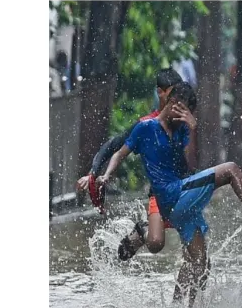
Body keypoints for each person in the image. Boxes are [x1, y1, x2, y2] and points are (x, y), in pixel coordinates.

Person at [97, 87, 242, 308]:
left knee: (201, 264)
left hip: (182, 200)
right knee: (231, 170)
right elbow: (120, 153)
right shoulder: (145, 128)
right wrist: (106, 175)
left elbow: (189, 166)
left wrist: (193, 127)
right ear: (172, 103)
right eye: (182, 111)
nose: (183, 118)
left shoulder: (181, 130)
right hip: (170, 195)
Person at [76, 68, 187, 260]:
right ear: (160, 93)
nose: (177, 99)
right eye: (172, 94)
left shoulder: (185, 119)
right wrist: (93, 173)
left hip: (186, 187)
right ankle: (144, 230)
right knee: (155, 243)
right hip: (160, 191)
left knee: (196, 251)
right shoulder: (145, 125)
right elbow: (114, 147)